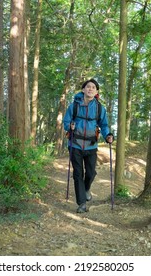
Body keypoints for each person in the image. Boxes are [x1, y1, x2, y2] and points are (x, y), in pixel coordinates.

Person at [63, 78, 114, 213]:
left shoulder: (99, 108)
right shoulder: (73, 106)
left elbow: (104, 125)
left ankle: (86, 189)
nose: (90, 89)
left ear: (96, 91)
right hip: (75, 144)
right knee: (78, 174)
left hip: (91, 145)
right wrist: (70, 126)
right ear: (83, 90)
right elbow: (66, 121)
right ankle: (81, 203)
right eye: (88, 87)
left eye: (93, 87)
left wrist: (108, 135)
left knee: (90, 173)